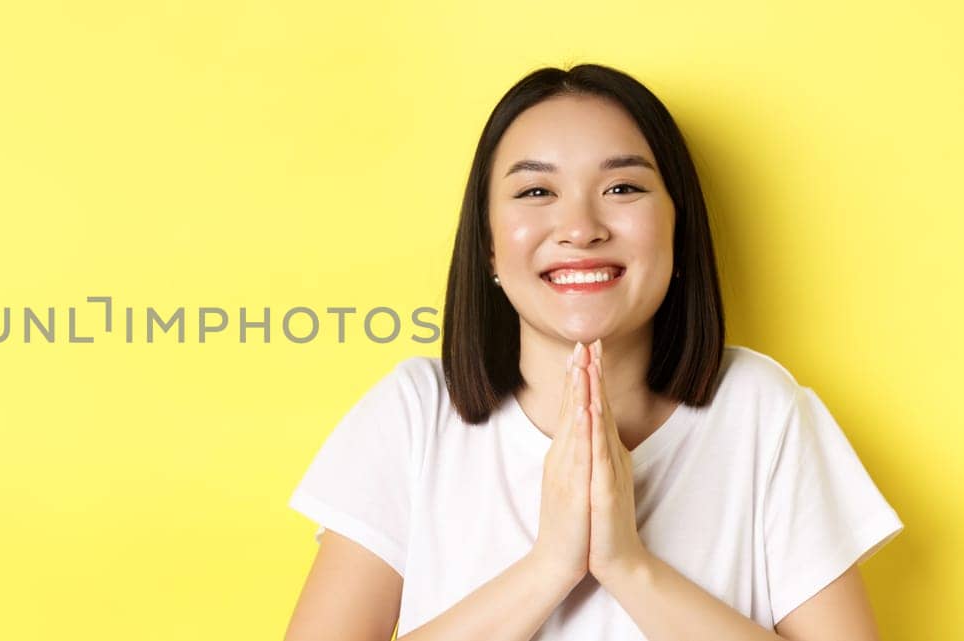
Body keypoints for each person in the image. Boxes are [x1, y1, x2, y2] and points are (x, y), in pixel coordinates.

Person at [283, 64, 903, 641]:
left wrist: (627, 565)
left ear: (677, 229)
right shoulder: (415, 415)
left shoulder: (759, 409)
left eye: (623, 186)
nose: (580, 228)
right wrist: (549, 565)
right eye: (534, 193)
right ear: (490, 247)